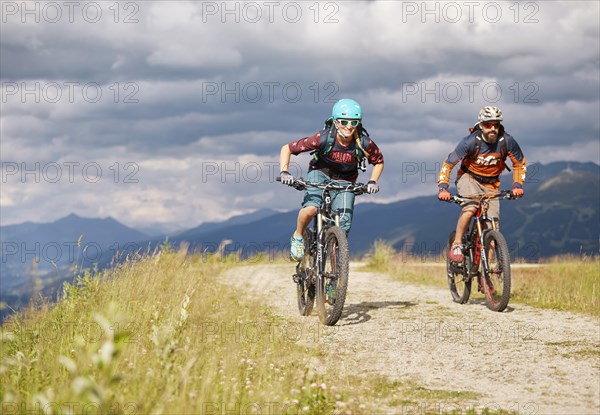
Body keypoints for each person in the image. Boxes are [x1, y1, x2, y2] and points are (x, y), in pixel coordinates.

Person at [279, 98, 384, 261]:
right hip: (319, 173)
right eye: (344, 121)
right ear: (335, 122)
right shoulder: (323, 138)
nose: (349, 126)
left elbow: (378, 162)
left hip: (346, 181)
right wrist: (284, 172)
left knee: (343, 226)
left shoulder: (364, 143)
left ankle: (334, 281)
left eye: (354, 122)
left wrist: (372, 181)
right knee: (312, 207)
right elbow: (287, 148)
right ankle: (298, 236)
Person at [437, 106, 526, 262]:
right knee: (471, 206)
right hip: (468, 178)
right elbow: (448, 163)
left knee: (492, 228)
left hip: (492, 185)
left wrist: (517, 185)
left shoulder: (507, 141)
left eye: (496, 124)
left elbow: (519, 163)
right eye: (488, 124)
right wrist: (443, 187)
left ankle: (486, 273)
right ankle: (457, 243)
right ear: (481, 125)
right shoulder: (470, 142)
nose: (492, 128)